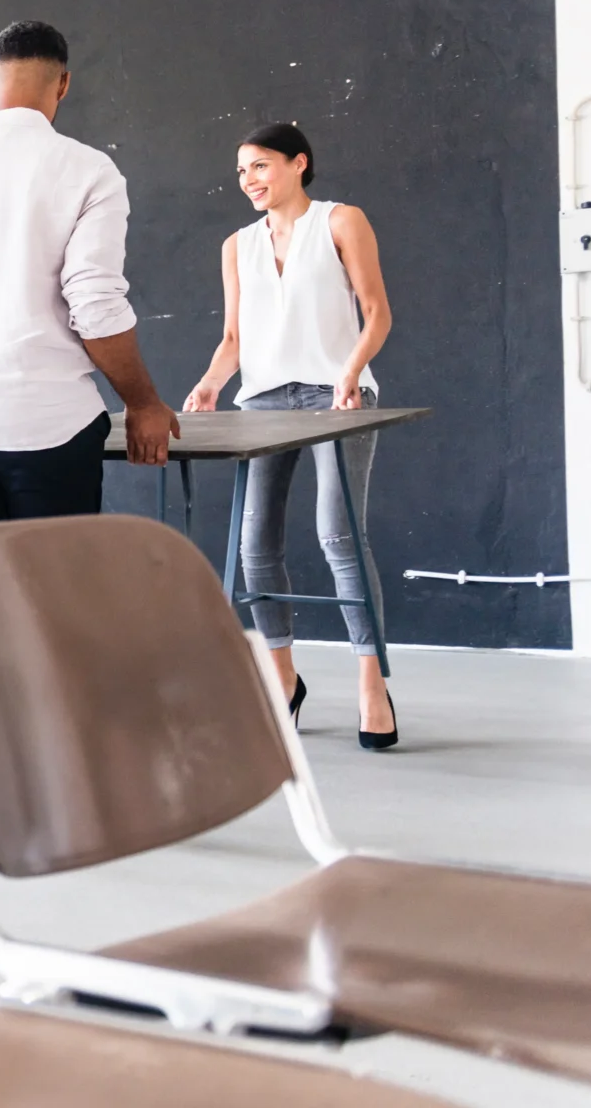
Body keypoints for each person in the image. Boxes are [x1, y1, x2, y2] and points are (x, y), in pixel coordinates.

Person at [0, 20, 180, 522]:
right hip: (46, 426)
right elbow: (95, 305)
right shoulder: (87, 170)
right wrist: (143, 404)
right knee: (53, 594)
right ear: (63, 84)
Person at [182, 123, 397, 749]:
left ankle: (371, 682)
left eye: (261, 166)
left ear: (298, 163)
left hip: (337, 392)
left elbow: (376, 309)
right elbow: (234, 340)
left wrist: (351, 371)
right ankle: (283, 681)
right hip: (265, 399)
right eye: (242, 172)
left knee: (339, 534)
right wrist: (209, 384)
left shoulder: (340, 221)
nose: (249, 180)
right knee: (255, 544)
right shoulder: (237, 244)